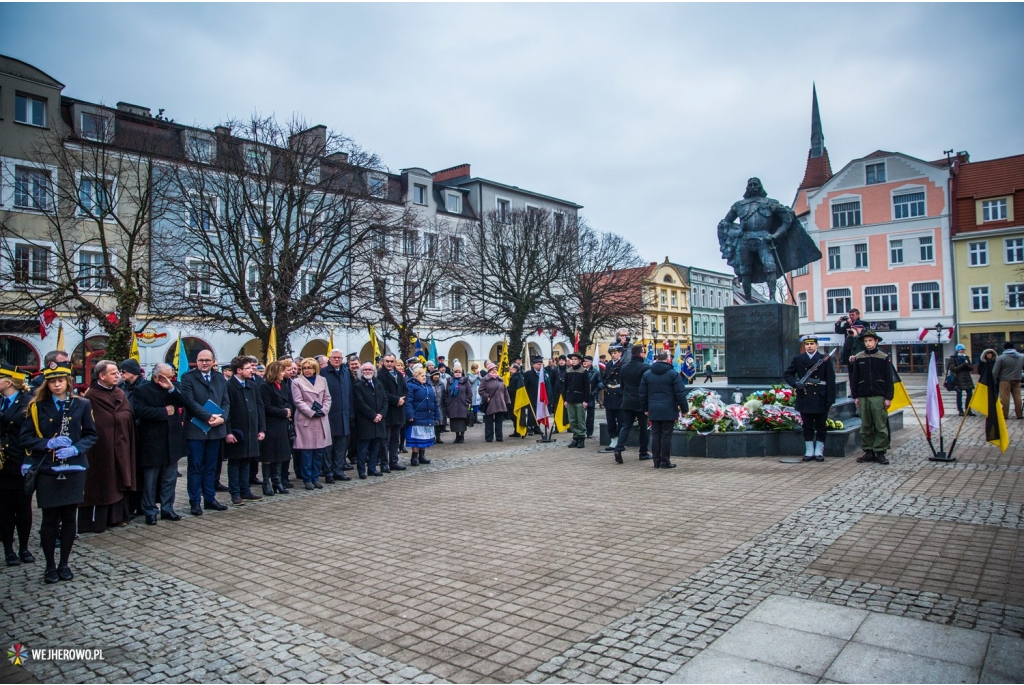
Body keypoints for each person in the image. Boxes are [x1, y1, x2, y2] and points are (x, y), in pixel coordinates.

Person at [20, 365, 98, 583]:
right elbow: (25, 439)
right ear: (47, 383)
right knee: (50, 518)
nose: (56, 384)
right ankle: (49, 565)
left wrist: (76, 448)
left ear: (68, 382)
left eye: (60, 381)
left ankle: (64, 562)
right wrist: (48, 443)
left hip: (73, 467)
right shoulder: (36, 406)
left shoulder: (81, 404)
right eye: (52, 381)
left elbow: (91, 435)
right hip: (48, 469)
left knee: (69, 517)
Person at [79, 360, 136, 533]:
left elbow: (127, 413)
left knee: (119, 478)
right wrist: (114, 419)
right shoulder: (91, 396)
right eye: (113, 373)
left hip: (121, 443)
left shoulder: (119, 392)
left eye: (117, 372)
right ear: (101, 376)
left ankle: (118, 517)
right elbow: (94, 421)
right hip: (100, 447)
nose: (117, 375)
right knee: (104, 480)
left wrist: (119, 418)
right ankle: (97, 521)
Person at [130, 363, 186, 524]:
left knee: (170, 478)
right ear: (156, 376)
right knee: (150, 480)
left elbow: (184, 402)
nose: (170, 379)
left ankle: (168, 509)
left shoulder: (173, 388)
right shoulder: (142, 390)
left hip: (172, 441)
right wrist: (163, 412)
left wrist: (171, 388)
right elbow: (138, 411)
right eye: (166, 377)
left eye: (171, 376)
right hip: (152, 442)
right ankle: (150, 511)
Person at [180, 350, 229, 515]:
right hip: (196, 428)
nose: (204, 363)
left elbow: (226, 401)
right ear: (197, 361)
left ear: (213, 361)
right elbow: (189, 401)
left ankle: (210, 498)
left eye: (207, 360)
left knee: (211, 467)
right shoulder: (188, 377)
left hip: (216, 429)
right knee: (195, 467)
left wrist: (223, 418)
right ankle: (195, 502)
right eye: (201, 360)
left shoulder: (219, 377)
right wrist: (207, 416)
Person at [0, 364, 33, 565]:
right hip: (2, 465)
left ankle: (24, 547)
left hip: (20, 461)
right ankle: (8, 550)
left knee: (23, 508)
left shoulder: (28, 403)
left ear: (8, 382)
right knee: (3, 509)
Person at [784, 335, 837, 462]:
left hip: (820, 397)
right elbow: (787, 374)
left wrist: (830, 398)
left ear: (816, 345)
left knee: (820, 425)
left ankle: (819, 450)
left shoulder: (824, 359)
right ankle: (809, 450)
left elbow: (830, 379)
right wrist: (796, 383)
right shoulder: (798, 358)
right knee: (807, 425)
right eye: (807, 344)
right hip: (805, 396)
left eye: (812, 344)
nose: (809, 346)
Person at [223, 356, 266, 504]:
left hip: (251, 429)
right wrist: (228, 432)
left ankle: (245, 490)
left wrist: (261, 428)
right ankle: (235, 493)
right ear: (239, 370)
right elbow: (226, 411)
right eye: (248, 368)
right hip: (237, 430)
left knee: (247, 460)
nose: (252, 370)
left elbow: (259, 407)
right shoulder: (228, 386)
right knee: (235, 462)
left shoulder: (253, 386)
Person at [850, 330, 894, 465]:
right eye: (865, 341)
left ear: (876, 341)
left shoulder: (883, 357)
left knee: (880, 425)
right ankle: (868, 451)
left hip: (878, 396)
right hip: (863, 396)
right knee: (865, 425)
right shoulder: (859, 357)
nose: (868, 343)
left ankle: (880, 451)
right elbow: (854, 378)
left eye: (870, 340)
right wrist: (855, 395)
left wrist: (888, 397)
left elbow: (889, 379)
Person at [639, 350, 688, 469]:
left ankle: (656, 461)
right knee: (666, 436)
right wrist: (684, 409)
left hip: (654, 409)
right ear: (667, 360)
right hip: (669, 409)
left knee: (655, 435)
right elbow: (680, 393)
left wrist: (645, 408)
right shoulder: (673, 374)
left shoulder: (647, 374)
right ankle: (665, 461)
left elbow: (642, 394)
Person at [291, 358, 332, 490]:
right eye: (304, 368)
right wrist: (311, 412)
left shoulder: (322, 380)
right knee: (307, 451)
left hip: (321, 418)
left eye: (309, 368)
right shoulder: (297, 382)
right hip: (306, 419)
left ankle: (315, 477)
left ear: (315, 368)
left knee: (319, 451)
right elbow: (298, 401)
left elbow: (327, 398)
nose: (307, 370)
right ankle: (307, 478)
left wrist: (324, 410)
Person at [258, 361, 294, 494]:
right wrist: (283, 412)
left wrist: (289, 410)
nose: (283, 374)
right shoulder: (265, 387)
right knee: (269, 455)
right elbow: (266, 406)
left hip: (282, 425)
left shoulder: (283, 385)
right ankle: (266, 482)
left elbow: (288, 401)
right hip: (271, 425)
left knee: (280, 454)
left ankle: (277, 481)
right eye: (281, 371)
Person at [613, 344, 652, 464]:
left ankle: (618, 448)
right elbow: (646, 387)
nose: (644, 354)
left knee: (625, 426)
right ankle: (643, 452)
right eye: (643, 352)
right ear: (640, 354)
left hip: (627, 401)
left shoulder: (624, 367)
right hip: (640, 402)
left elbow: (622, 386)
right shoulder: (644, 367)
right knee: (643, 428)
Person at [321, 349, 354, 482]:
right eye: (334, 357)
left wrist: (350, 414)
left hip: (344, 415)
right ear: (329, 359)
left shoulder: (346, 372)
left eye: (339, 358)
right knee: (328, 447)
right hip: (329, 416)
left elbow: (350, 395)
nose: (337, 360)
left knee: (341, 447)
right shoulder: (323, 373)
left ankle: (338, 470)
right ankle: (328, 472)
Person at [352, 362, 388, 478]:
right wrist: (373, 415)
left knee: (375, 447)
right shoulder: (358, 386)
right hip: (366, 422)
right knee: (363, 448)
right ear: (361, 372)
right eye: (365, 370)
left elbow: (385, 400)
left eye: (370, 370)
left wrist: (381, 414)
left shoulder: (378, 383)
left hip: (379, 421)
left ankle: (372, 469)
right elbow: (361, 403)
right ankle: (362, 470)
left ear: (374, 371)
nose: (368, 371)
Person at [376, 354, 408, 472]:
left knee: (395, 438)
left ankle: (394, 461)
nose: (389, 363)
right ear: (384, 362)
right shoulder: (380, 375)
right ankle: (384, 463)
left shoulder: (399, 375)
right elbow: (383, 392)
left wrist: (403, 399)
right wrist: (396, 400)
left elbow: (405, 389)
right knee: (385, 439)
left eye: (392, 361)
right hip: (387, 411)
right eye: (387, 361)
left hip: (399, 411)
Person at [405, 365, 439, 464]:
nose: (424, 377)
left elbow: (434, 402)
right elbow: (408, 402)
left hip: (428, 416)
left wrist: (437, 415)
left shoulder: (428, 386)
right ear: (416, 376)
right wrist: (410, 415)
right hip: (417, 416)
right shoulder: (411, 386)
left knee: (425, 437)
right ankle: (414, 457)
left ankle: (422, 456)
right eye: (421, 375)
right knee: (417, 438)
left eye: (424, 375)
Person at [562, 352, 590, 448]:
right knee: (572, 420)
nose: (573, 361)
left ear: (579, 361)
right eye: (572, 359)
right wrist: (565, 399)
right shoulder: (568, 371)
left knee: (580, 420)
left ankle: (581, 438)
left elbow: (587, 387)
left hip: (580, 399)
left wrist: (586, 400)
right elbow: (565, 386)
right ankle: (575, 437)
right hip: (570, 399)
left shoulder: (583, 372)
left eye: (575, 359)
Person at [600, 345, 624, 453]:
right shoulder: (609, 364)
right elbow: (605, 378)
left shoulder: (623, 365)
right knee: (610, 420)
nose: (614, 355)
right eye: (612, 353)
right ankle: (613, 439)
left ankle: (620, 441)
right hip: (609, 394)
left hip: (619, 395)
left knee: (621, 420)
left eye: (616, 353)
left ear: (620, 353)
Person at [479, 362, 511, 443]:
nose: (494, 371)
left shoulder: (500, 379)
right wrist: (486, 396)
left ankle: (499, 437)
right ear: (489, 370)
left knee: (499, 421)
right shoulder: (485, 379)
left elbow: (505, 391)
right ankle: (489, 437)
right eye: (492, 369)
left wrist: (507, 401)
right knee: (489, 421)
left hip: (500, 402)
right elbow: (481, 390)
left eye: (495, 369)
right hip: (490, 403)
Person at [992, 341, 1024, 420]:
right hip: (1017, 379)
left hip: (1005, 380)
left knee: (1005, 398)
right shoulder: (1021, 357)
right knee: (1018, 397)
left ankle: (1004, 414)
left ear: (1004, 348)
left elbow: (995, 371)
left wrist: (993, 380)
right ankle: (1019, 414)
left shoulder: (1001, 357)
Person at [523, 356, 554, 436]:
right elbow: (525, 386)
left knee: (539, 412)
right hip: (532, 396)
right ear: (534, 365)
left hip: (541, 397)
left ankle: (537, 427)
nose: (540, 366)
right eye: (538, 364)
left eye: (541, 364)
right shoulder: (528, 374)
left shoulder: (543, 373)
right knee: (531, 413)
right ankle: (530, 427)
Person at [946, 344, 976, 417]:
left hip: (967, 378)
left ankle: (968, 409)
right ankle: (960, 410)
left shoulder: (966, 357)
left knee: (970, 394)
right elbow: (953, 369)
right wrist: (963, 365)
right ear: (957, 350)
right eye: (961, 349)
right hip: (958, 378)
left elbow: (971, 368)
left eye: (963, 349)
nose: (962, 351)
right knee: (959, 395)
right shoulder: (953, 358)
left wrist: (967, 365)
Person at [446, 364, 472, 443]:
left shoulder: (465, 381)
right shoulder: (450, 381)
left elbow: (469, 393)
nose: (457, 373)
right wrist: (447, 402)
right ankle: (457, 436)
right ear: (453, 372)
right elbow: (446, 393)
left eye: (459, 372)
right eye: (456, 372)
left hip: (462, 404)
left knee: (462, 421)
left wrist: (467, 401)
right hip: (452, 405)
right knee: (454, 421)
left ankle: (462, 436)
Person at [583, 355, 602, 439]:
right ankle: (582, 431)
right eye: (584, 361)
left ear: (590, 362)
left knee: (590, 416)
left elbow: (600, 384)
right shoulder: (581, 371)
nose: (584, 362)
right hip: (581, 396)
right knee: (581, 415)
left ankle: (589, 432)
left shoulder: (595, 372)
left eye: (586, 361)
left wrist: (594, 392)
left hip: (590, 396)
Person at [428, 370, 448, 444]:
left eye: (438, 375)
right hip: (432, 406)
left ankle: (438, 438)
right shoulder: (429, 384)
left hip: (441, 406)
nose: (436, 376)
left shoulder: (441, 384)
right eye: (435, 375)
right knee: (433, 423)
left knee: (439, 423)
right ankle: (432, 438)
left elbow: (444, 394)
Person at [467, 363, 482, 427]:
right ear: (472, 369)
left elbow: (481, 379)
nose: (476, 369)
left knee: (476, 405)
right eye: (475, 368)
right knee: (471, 406)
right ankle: (471, 419)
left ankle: (476, 418)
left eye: (477, 368)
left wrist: (478, 375)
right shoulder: (469, 373)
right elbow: (471, 380)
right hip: (472, 391)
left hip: (477, 391)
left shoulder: (477, 373)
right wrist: (476, 375)